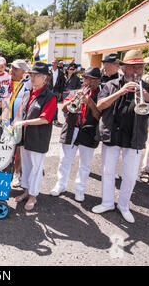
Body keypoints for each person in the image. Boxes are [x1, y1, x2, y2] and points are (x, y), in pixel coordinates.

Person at [93, 49, 149, 223]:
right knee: (108, 171)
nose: (138, 71)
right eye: (134, 67)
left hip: (135, 136)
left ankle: (124, 206)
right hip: (112, 134)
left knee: (130, 175)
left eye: (141, 67)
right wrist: (120, 92)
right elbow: (100, 106)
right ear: (123, 68)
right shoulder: (110, 85)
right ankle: (107, 202)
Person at [50, 67, 102, 202]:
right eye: (86, 78)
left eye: (91, 79)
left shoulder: (102, 94)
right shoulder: (77, 91)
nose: (87, 82)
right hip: (72, 128)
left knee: (85, 164)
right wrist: (75, 98)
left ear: (98, 81)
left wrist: (90, 102)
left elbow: (99, 117)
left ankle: (80, 189)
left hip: (89, 131)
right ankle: (60, 185)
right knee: (64, 160)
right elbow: (63, 108)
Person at [12, 62, 57, 211]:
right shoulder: (27, 93)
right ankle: (26, 191)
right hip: (25, 137)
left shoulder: (50, 96)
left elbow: (45, 119)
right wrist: (15, 121)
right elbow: (20, 113)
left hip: (38, 138)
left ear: (45, 79)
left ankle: (33, 196)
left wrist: (24, 122)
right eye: (31, 75)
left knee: (36, 168)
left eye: (36, 75)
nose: (32, 78)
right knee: (26, 166)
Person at [8, 59, 30, 188]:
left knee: (18, 149)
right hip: (7, 121)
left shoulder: (28, 83)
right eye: (11, 68)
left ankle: (17, 174)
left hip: (19, 122)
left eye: (15, 69)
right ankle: (7, 173)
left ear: (23, 71)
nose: (12, 71)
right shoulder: (7, 81)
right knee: (7, 148)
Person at [50, 59, 66, 127]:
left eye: (54, 63)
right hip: (49, 90)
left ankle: (55, 119)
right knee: (47, 105)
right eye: (52, 64)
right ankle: (48, 118)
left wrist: (60, 92)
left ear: (57, 64)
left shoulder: (61, 72)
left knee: (55, 106)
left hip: (56, 91)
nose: (53, 65)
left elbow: (62, 83)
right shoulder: (48, 71)